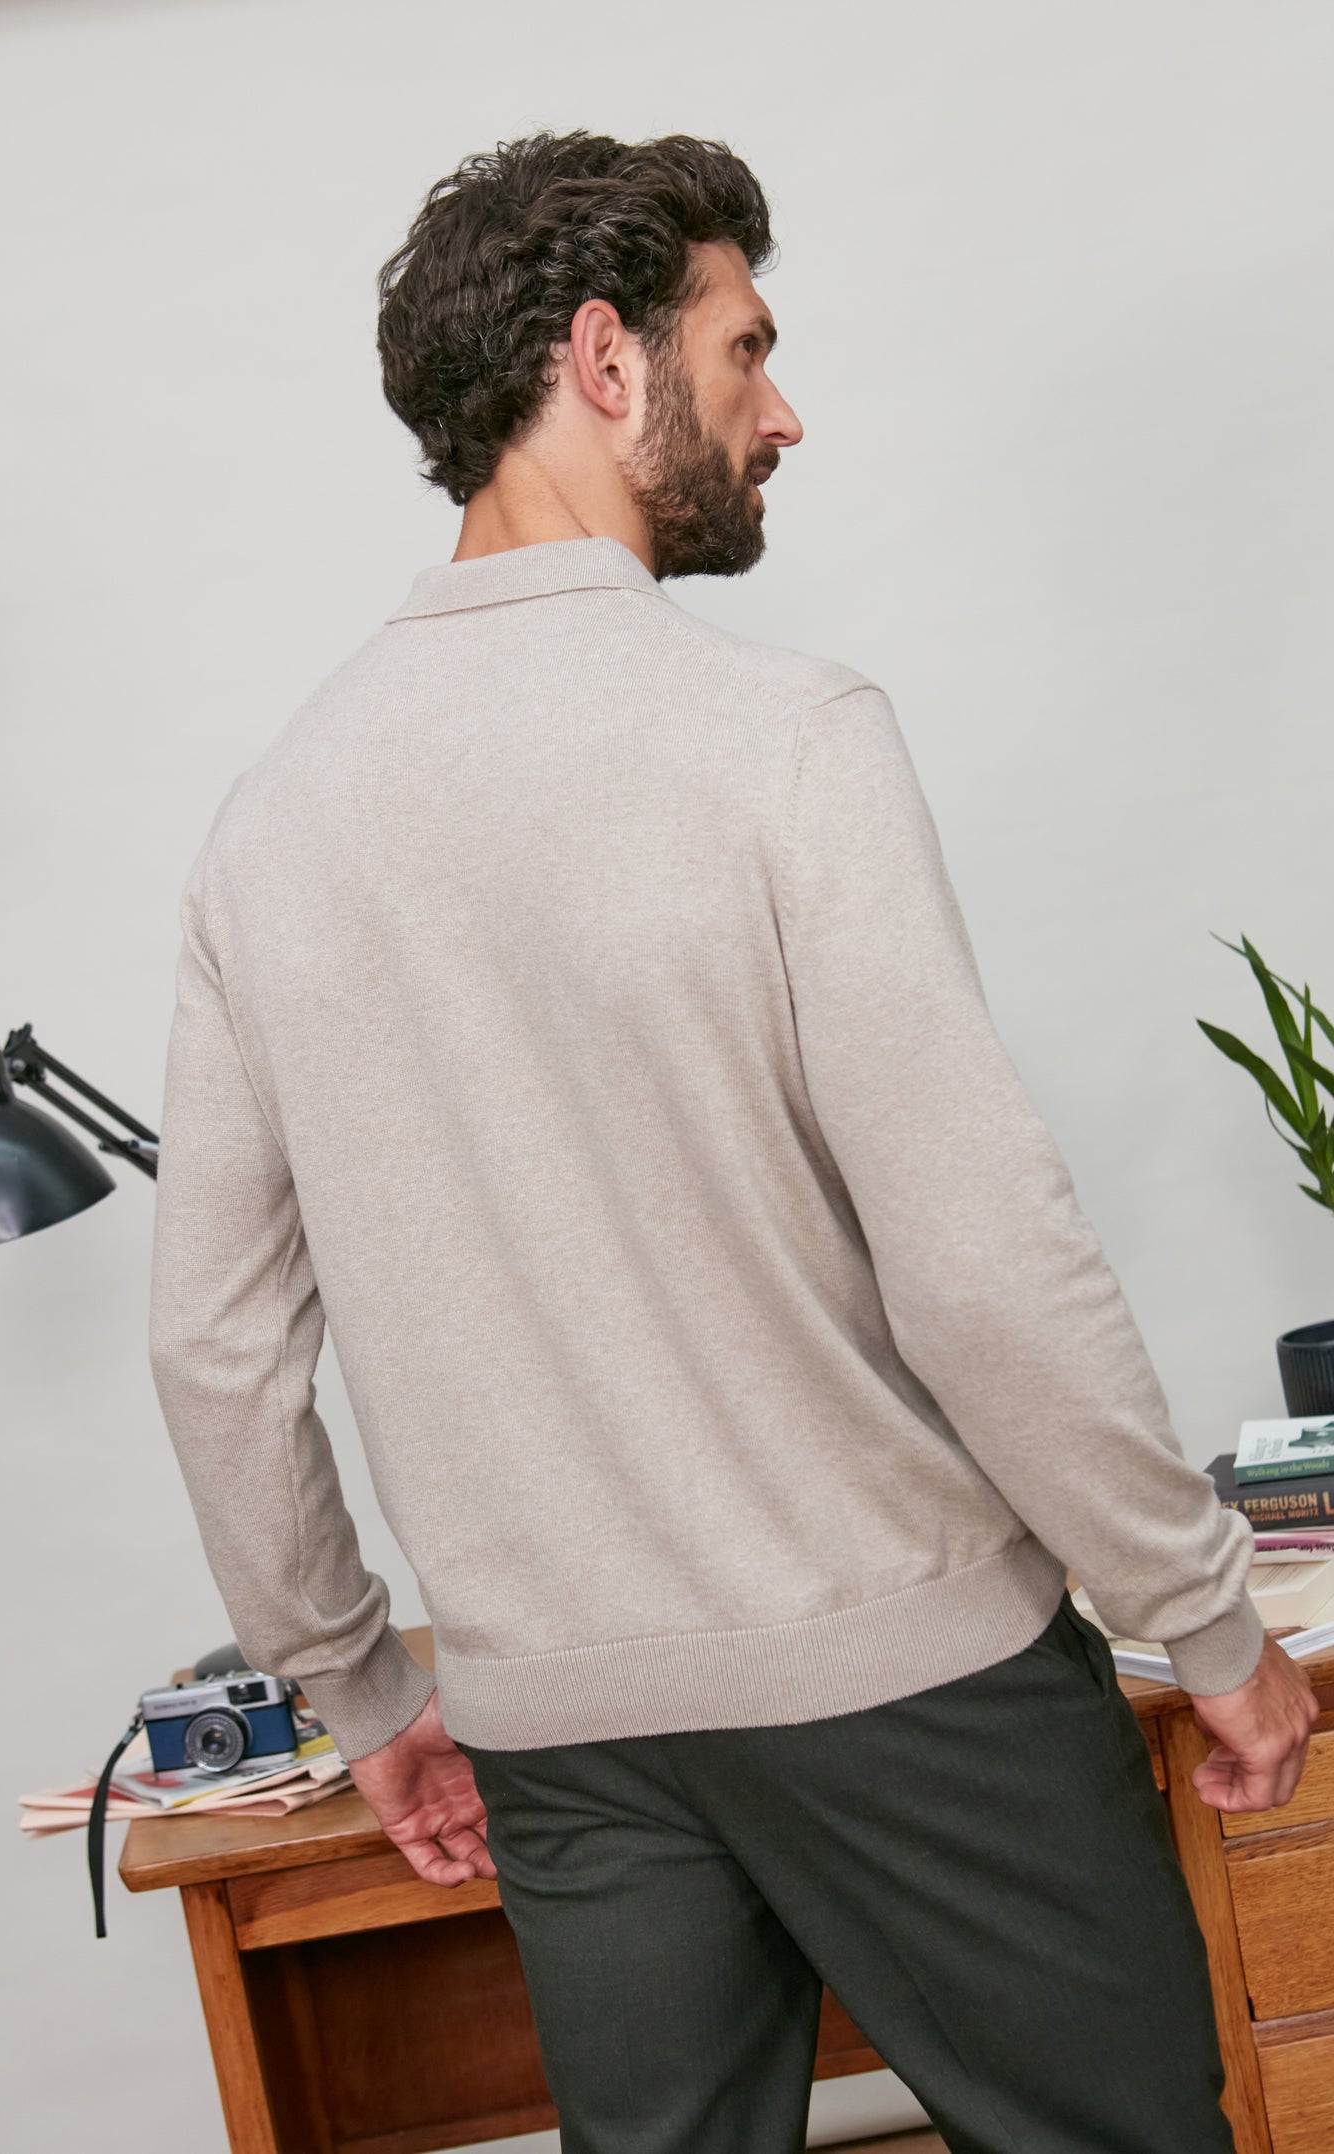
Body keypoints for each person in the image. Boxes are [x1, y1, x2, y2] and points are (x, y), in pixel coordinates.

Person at [148, 131, 1318, 2154]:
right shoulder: (785, 740)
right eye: (744, 345)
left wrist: (360, 1692)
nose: (783, 411)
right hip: (910, 1689)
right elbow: (978, 1260)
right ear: (603, 359)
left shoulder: (274, 824)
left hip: (562, 1734)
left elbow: (217, 1351)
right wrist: (1204, 1619)